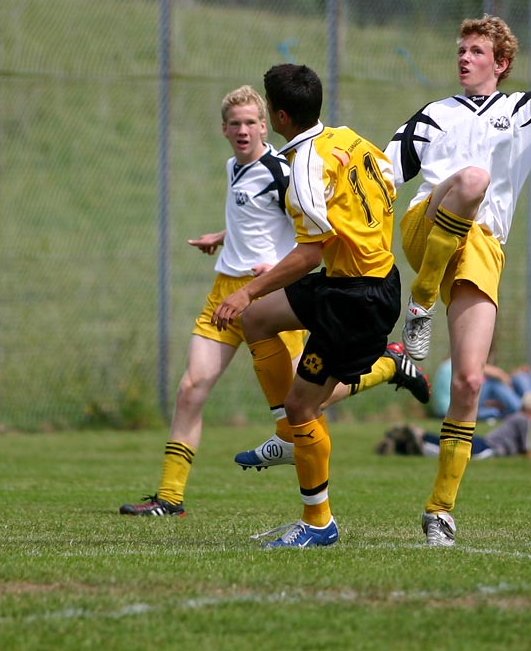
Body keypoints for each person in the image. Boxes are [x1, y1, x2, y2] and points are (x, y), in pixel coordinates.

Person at [120, 87, 428, 517]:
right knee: (192, 388)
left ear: (267, 125)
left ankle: (384, 367)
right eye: (235, 124)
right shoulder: (234, 167)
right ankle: (170, 497)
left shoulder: (286, 168)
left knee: (309, 399)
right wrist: (224, 237)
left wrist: (269, 274)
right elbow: (258, 219)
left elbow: (313, 228)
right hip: (224, 292)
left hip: (270, 294)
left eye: (251, 122)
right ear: (224, 129)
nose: (243, 130)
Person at [386, 12, 531, 546]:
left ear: (502, 63)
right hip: (426, 227)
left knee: (469, 382)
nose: (464, 58)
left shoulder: (527, 111)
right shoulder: (434, 115)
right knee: (471, 179)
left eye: (477, 51)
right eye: (461, 49)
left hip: (482, 247)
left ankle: (440, 510)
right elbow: (384, 170)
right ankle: (420, 302)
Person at [211, 63, 401, 549]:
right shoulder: (345, 138)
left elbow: (311, 251)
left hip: (357, 297)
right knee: (256, 321)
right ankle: (286, 433)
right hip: (347, 281)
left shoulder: (303, 169)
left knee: (304, 405)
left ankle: (319, 523)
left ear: (277, 116)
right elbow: (387, 178)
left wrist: (247, 287)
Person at [378, 389, 531, 461]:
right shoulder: (524, 420)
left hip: (484, 442)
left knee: (452, 444)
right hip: (487, 448)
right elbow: (526, 452)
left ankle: (412, 439)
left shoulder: (517, 416)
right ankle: (421, 439)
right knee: (453, 452)